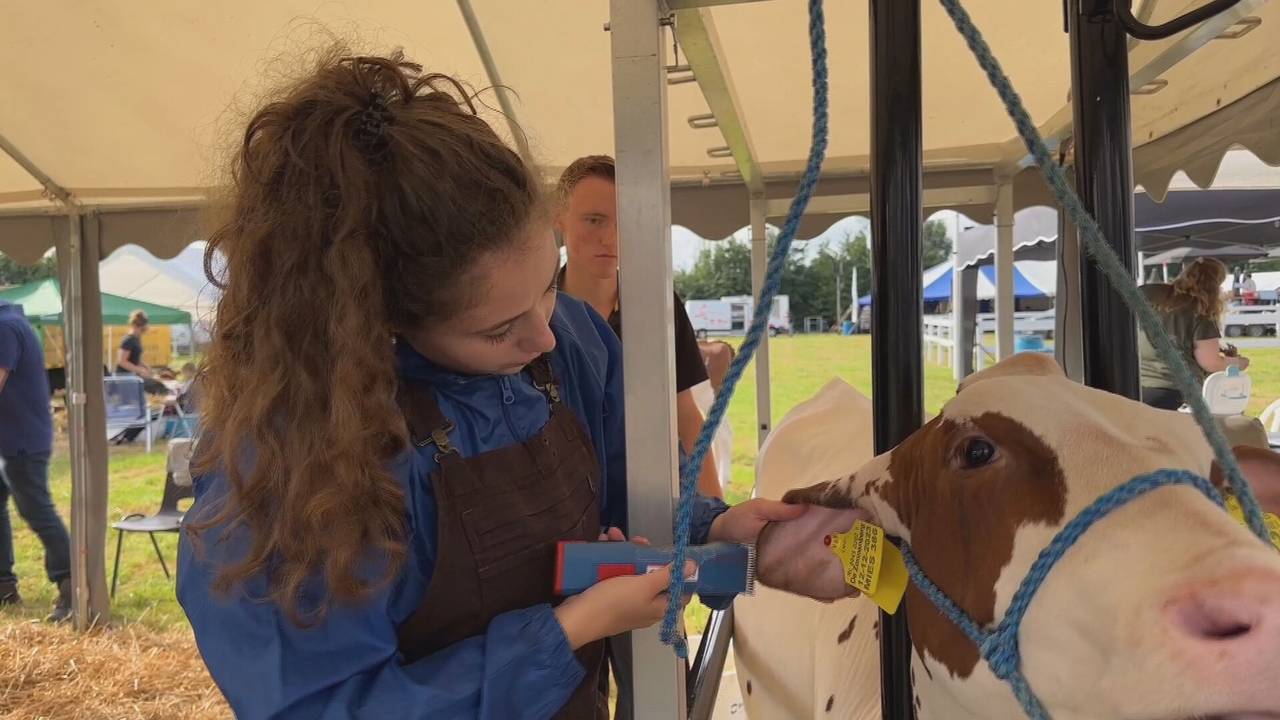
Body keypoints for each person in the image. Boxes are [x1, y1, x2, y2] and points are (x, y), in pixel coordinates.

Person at [176, 50, 841, 719]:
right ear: (382, 319)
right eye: (498, 331)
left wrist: (715, 526)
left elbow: (617, 500)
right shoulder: (288, 468)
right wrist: (566, 633)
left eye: (548, 287)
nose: (543, 339)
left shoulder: (576, 340)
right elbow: (319, 706)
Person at [554, 155, 722, 500]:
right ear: (560, 220)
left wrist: (716, 511)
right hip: (562, 501)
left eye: (624, 221)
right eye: (594, 220)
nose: (611, 238)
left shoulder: (658, 307)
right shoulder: (535, 312)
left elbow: (685, 416)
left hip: (647, 500)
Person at [0, 298, 73, 622]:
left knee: (37, 511)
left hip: (21, 441)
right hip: (13, 437)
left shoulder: (4, 328)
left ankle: (73, 585)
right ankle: (3, 584)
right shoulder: (13, 322)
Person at [1139, 258, 1249, 410]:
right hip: (1176, 394)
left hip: (1134, 386)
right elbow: (1210, 362)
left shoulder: (1148, 292)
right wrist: (1239, 363)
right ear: (1215, 285)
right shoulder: (1201, 312)